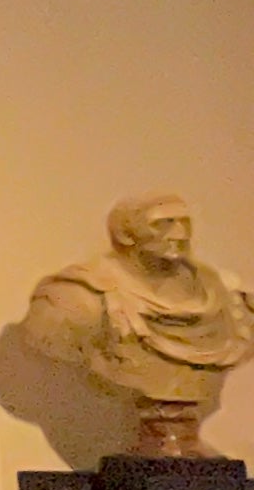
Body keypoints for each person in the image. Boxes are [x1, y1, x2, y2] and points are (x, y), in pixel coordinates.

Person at [22, 194, 254, 457]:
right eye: (163, 224)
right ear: (125, 234)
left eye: (185, 223)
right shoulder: (79, 299)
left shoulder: (229, 298)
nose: (179, 234)